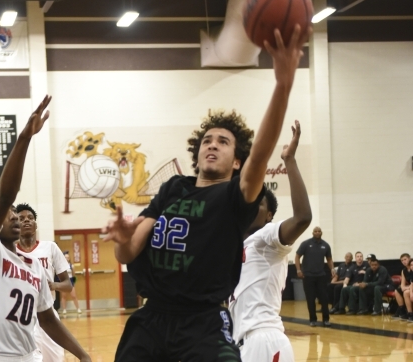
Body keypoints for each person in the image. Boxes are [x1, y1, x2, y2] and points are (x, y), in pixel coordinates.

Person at [102, 25, 311, 361]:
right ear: (197, 152)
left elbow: (260, 155)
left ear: (237, 160)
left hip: (202, 322)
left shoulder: (233, 197)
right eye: (207, 141)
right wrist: (125, 238)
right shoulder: (173, 189)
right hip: (151, 319)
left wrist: (282, 86)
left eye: (223, 142)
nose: (212, 145)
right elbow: (126, 256)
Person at [0, 95, 91, 362]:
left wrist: (83, 355)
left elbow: (47, 319)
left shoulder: (34, 265)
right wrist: (24, 139)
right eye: (3, 214)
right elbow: (5, 195)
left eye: (14, 213)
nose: (13, 217)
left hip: (28, 357)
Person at [230, 120, 312, 362]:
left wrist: (289, 160)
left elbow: (302, 218)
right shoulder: (236, 244)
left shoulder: (266, 238)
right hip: (243, 343)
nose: (252, 204)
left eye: (260, 202)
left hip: (264, 340)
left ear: (269, 216)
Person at [15, 202, 73, 362]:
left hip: (48, 314)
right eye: (21, 218)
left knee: (56, 359)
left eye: (30, 218)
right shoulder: (10, 251)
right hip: (23, 316)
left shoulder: (51, 247)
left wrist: (53, 285)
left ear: (35, 224)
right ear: (15, 224)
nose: (26, 220)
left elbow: (68, 285)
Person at [294, 227, 336, 326]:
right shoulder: (306, 244)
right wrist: (298, 269)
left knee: (324, 298)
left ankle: (326, 319)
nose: (317, 233)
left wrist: (332, 269)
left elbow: (329, 259)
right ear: (313, 233)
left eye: (319, 231)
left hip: (321, 275)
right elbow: (297, 256)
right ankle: (312, 320)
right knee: (310, 298)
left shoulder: (325, 245)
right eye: (315, 231)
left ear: (322, 233)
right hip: (308, 276)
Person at [392, 253, 411, 320]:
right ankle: (402, 311)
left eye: (405, 259)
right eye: (402, 260)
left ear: (409, 259)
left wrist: (407, 287)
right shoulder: (404, 271)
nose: (404, 261)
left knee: (406, 292)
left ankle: (410, 313)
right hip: (410, 286)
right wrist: (405, 287)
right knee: (397, 290)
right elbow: (402, 284)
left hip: (411, 287)